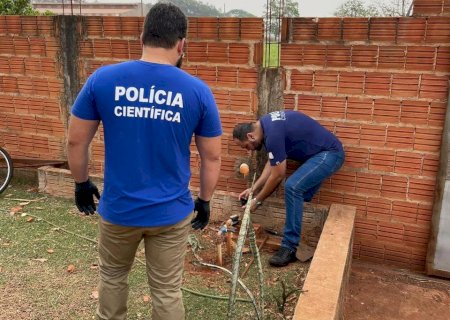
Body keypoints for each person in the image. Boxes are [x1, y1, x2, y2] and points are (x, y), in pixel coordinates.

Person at [67, 3, 222, 320]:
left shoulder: (103, 80)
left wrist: (81, 183)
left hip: (120, 210)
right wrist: (205, 201)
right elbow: (212, 157)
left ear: (142, 36)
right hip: (171, 213)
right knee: (166, 291)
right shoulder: (198, 91)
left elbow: (75, 140)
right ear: (182, 44)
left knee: (112, 277)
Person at [233, 110, 344, 267]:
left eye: (246, 146)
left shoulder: (272, 134)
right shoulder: (266, 125)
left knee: (292, 187)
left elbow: (278, 175)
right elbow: (272, 163)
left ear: (251, 136)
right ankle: (295, 235)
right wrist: (254, 189)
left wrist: (257, 201)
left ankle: (289, 247)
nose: (248, 150)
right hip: (318, 156)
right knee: (298, 196)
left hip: (330, 154)